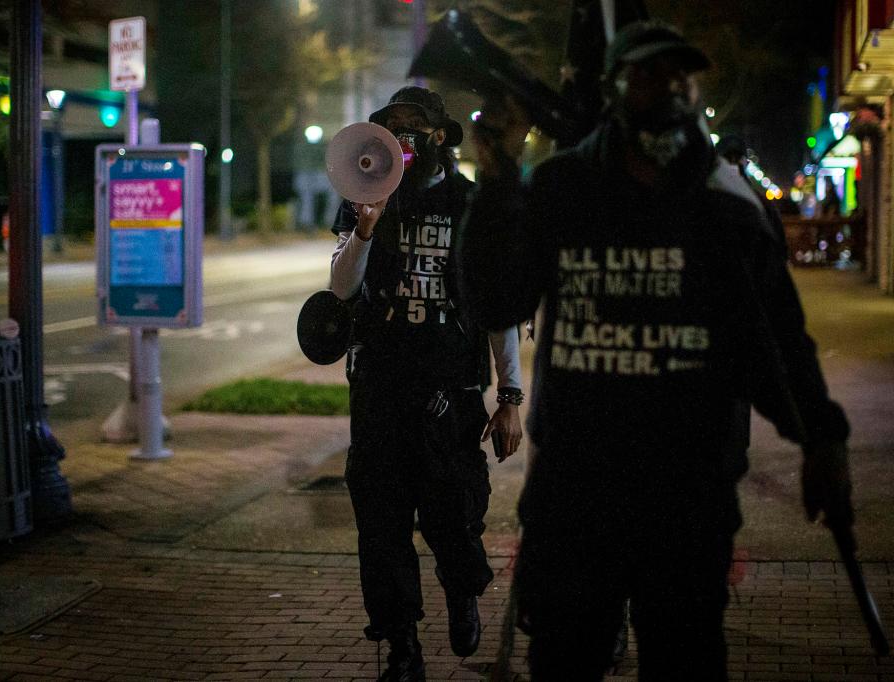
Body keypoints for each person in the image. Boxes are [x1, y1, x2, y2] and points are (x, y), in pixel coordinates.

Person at [458, 21, 853, 681]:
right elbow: (495, 304)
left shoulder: (726, 202)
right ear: (613, 87)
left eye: (680, 76)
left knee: (686, 661)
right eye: (647, 74)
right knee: (564, 661)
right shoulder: (561, 188)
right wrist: (496, 181)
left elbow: (776, 341)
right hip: (575, 499)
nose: (667, 88)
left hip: (688, 500)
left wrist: (823, 437)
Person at [330, 85, 524, 681]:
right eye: (391, 125)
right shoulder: (364, 197)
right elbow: (341, 290)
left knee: (454, 515)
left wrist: (510, 396)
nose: (402, 136)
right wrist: (365, 230)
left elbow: (498, 310)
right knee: (382, 528)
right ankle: (402, 648)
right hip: (381, 391)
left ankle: (462, 591)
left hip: (452, 396)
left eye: (413, 126)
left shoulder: (472, 205)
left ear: (440, 137)